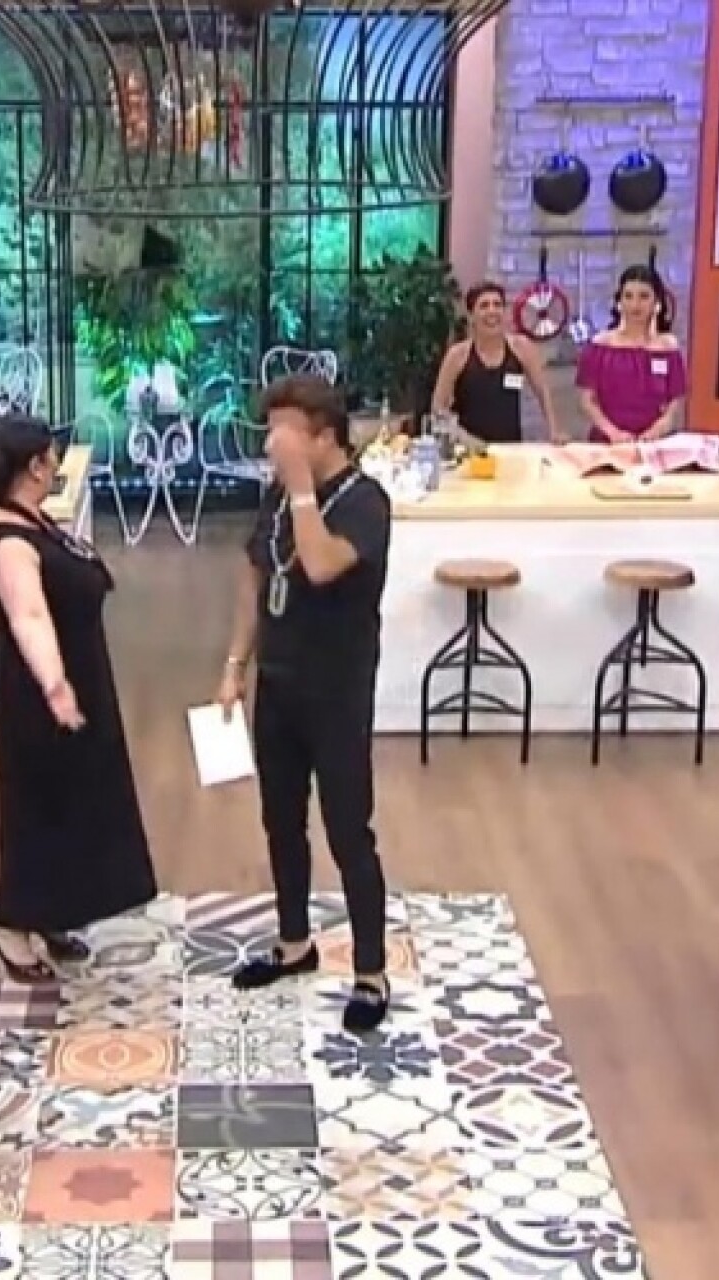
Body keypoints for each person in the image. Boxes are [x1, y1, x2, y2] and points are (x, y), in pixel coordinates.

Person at [217, 374, 391, 1034]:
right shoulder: (276, 496)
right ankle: (294, 943)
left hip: (337, 690)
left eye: (285, 434)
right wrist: (235, 665)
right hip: (278, 682)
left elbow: (318, 566)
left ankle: (370, 972)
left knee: (349, 830)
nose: (272, 445)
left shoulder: (364, 503)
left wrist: (299, 489)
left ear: (325, 438)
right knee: (280, 821)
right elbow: (255, 577)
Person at [0, 414, 156, 981]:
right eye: (51, 458)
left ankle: (50, 911)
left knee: (74, 799)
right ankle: (8, 922)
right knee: (38, 803)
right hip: (34, 687)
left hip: (74, 673)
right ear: (34, 468)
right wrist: (55, 685)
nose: (57, 467)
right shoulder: (5, 539)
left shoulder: (25, 513)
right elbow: (28, 615)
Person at [431, 280, 563, 444]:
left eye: (497, 305)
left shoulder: (521, 348)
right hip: (468, 449)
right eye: (484, 306)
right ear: (471, 316)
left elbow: (543, 392)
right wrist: (462, 436)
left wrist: (554, 430)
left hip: (510, 448)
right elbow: (438, 408)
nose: (492, 311)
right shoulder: (457, 355)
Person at [576, 264, 686, 443]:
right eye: (628, 296)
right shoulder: (599, 346)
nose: (635, 305)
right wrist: (613, 433)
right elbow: (587, 401)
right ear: (619, 301)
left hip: (654, 443)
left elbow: (675, 402)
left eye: (644, 296)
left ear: (656, 302)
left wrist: (658, 429)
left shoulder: (668, 347)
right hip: (607, 443)